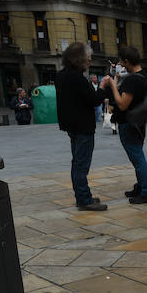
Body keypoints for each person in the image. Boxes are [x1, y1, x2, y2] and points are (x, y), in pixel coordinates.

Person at [55, 42, 109, 211]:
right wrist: (102, 87)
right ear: (79, 59)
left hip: (71, 125)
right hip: (83, 126)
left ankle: (82, 195)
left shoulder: (61, 75)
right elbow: (94, 100)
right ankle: (84, 200)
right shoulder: (77, 77)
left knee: (77, 162)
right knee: (81, 164)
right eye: (88, 58)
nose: (90, 62)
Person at [104, 46, 147, 204]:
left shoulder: (133, 80)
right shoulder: (144, 75)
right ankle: (141, 186)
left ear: (127, 61)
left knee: (137, 158)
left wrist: (113, 86)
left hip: (129, 123)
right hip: (139, 123)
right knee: (137, 156)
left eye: (121, 61)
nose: (120, 64)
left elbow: (122, 105)